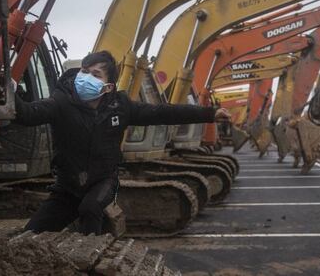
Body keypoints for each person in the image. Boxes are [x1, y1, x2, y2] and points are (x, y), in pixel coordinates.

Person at [14, 50, 230, 235]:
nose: (85, 78)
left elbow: (162, 113)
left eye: (95, 74)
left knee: (90, 209)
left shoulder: (120, 106)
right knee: (32, 233)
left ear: (107, 87)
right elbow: (29, 114)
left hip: (103, 182)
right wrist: (9, 91)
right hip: (67, 188)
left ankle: (92, 255)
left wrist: (209, 113)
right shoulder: (61, 102)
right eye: (84, 71)